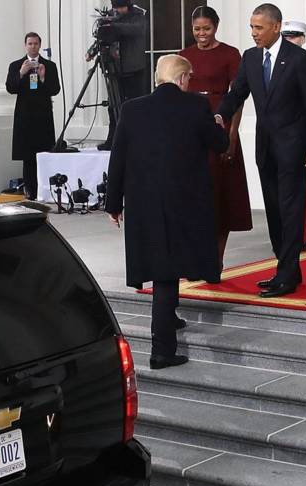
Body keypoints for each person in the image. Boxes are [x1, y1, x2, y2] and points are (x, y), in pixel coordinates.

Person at [106, 54, 228, 370]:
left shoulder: (132, 109)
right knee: (166, 272)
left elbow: (117, 158)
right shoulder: (196, 107)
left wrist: (112, 204)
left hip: (144, 205)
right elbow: (219, 144)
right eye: (189, 78)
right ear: (182, 78)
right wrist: (218, 124)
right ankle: (161, 351)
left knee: (163, 266)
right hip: (183, 204)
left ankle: (169, 318)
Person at [216, 3, 306, 298]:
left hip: (295, 151)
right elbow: (236, 94)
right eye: (251, 28)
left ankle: (286, 276)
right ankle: (287, 267)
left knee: (291, 212)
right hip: (266, 149)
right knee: (275, 212)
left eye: (259, 28)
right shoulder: (251, 58)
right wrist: (218, 116)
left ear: (276, 27)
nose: (253, 33)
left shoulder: (301, 60)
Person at [180, 6, 252, 270]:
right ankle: (194, 257)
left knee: (221, 197)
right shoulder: (184, 55)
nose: (201, 34)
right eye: (196, 29)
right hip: (190, 131)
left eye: (206, 29)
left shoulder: (231, 54)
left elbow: (239, 98)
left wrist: (232, 136)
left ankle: (216, 259)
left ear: (216, 27)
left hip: (221, 127)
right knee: (193, 196)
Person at [6, 32, 60, 200]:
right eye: (30, 43)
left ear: (39, 45)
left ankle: (45, 190)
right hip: (25, 116)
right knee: (28, 157)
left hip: (43, 116)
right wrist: (21, 73)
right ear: (25, 45)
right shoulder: (16, 65)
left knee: (44, 154)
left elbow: (55, 90)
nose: (33, 46)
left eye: (36, 43)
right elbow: (10, 88)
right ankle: (30, 191)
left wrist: (43, 78)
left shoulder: (49, 65)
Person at [97, 0, 150, 150]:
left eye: (121, 7)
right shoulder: (112, 17)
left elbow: (137, 30)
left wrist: (114, 25)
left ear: (128, 6)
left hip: (134, 68)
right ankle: (112, 139)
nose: (118, 10)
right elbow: (105, 37)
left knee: (135, 106)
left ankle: (137, 140)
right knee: (113, 106)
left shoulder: (138, 15)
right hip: (115, 69)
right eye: (115, 7)